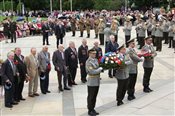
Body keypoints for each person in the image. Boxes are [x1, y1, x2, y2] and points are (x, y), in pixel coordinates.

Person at [86, 48, 103, 116]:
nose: (94, 55)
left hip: (97, 81)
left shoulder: (95, 60)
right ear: (89, 54)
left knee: (94, 96)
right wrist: (99, 69)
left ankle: (93, 108)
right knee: (91, 96)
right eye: (93, 53)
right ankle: (90, 110)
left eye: (95, 53)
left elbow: (97, 67)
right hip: (92, 81)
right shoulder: (88, 62)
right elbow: (92, 71)